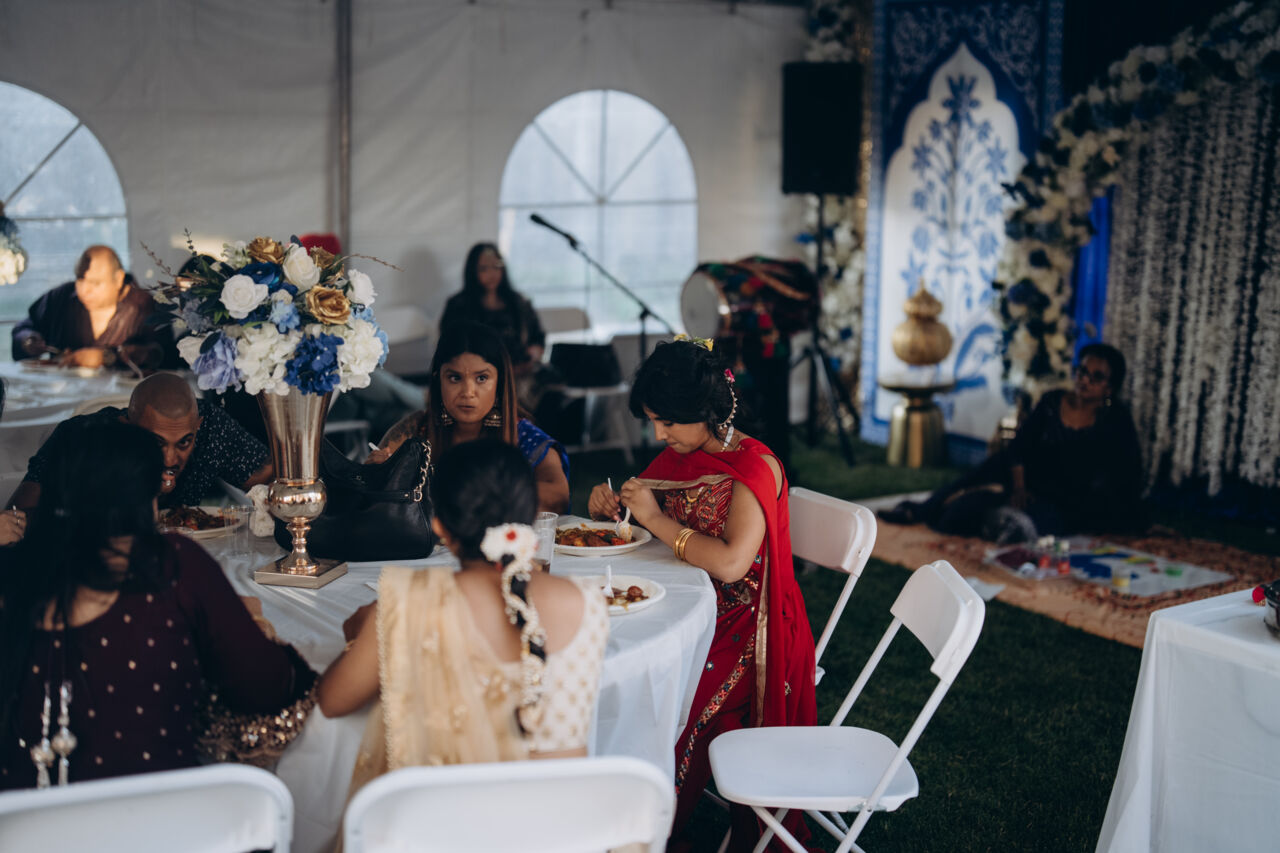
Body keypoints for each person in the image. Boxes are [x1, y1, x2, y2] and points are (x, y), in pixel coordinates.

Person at [586, 338, 816, 851]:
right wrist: (616, 508)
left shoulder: (755, 468)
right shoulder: (684, 451)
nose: (659, 435)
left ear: (706, 411)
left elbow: (733, 564)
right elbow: (650, 511)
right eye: (653, 421)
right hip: (691, 603)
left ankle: (641, 830)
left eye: (667, 421)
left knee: (672, 700)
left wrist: (653, 518)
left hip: (748, 624)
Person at [0, 421, 314, 789]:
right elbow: (267, 686)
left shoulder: (14, 576)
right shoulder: (172, 565)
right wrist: (254, 629)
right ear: (147, 497)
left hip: (23, 816)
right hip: (164, 814)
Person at [317, 439, 607, 793]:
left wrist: (372, 632)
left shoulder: (407, 603)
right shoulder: (589, 602)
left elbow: (331, 702)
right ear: (530, 515)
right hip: (566, 820)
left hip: (444, 821)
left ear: (439, 526)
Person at [880, 342, 1146, 539]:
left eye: (1096, 377)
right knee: (974, 480)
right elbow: (1019, 445)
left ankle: (995, 520)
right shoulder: (1053, 401)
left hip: (1066, 495)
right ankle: (918, 510)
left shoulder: (1115, 419)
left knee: (1035, 521)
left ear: (1109, 388)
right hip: (1023, 473)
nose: (1084, 380)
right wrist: (1019, 487)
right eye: (1082, 371)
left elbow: (1126, 471)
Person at [370, 323, 570, 513]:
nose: (467, 392)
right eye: (454, 378)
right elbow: (368, 489)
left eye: (482, 378)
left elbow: (559, 497)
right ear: (438, 380)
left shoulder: (524, 437)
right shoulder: (417, 428)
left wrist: (477, 489)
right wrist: (378, 473)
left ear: (500, 382)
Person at [7, 372, 273, 516]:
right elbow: (16, 519)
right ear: (127, 426)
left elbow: (272, 481)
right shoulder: (79, 437)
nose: (170, 459)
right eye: (156, 442)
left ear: (197, 427)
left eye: (184, 443)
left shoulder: (212, 427)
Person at [438, 243, 566, 427]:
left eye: (496, 267)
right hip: (480, 376)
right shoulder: (460, 306)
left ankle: (541, 440)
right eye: (484, 268)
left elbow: (537, 337)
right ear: (473, 271)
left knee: (554, 390)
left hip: (524, 372)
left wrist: (533, 354)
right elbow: (451, 347)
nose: (492, 274)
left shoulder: (519, 303)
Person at [11, 245, 171, 370]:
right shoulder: (62, 297)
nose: (85, 290)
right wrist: (27, 340)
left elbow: (163, 356)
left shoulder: (146, 306)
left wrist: (107, 357)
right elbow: (24, 328)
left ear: (118, 279)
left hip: (123, 398)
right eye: (80, 279)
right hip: (62, 396)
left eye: (95, 283)